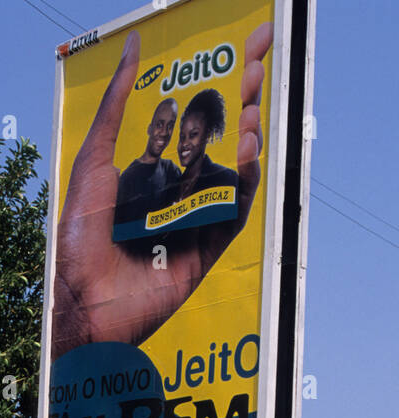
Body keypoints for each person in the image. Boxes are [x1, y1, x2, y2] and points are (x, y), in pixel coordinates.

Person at [52, 22, 273, 357]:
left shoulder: (220, 185)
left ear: (210, 135)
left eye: (190, 134)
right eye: (178, 132)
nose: (181, 142)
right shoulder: (151, 184)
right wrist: (76, 308)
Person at [113, 98, 182, 238]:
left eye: (170, 126)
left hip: (165, 255)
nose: (164, 132)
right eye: (159, 124)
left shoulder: (171, 171)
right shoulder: (128, 178)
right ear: (149, 129)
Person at [174, 89, 239, 208]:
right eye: (182, 137)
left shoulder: (225, 179)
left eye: (193, 134)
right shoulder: (170, 188)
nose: (184, 143)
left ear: (207, 135)